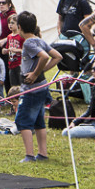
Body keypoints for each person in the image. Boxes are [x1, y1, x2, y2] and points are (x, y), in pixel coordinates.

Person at [15, 10, 62, 163]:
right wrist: (42, 71)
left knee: (23, 120)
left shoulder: (29, 42)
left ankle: (29, 155)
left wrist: (35, 73)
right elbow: (58, 56)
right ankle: (42, 153)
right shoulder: (39, 39)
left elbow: (45, 56)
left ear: (19, 27)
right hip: (42, 87)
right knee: (38, 121)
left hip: (32, 89)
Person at [0, 0, 17, 95]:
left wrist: (5, 40)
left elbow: (16, 30)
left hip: (10, 46)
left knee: (9, 72)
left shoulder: (12, 15)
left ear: (9, 4)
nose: (1, 5)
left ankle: (11, 94)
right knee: (0, 71)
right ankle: (4, 94)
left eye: (3, 3)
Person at [0, 14, 23, 90]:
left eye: (12, 23)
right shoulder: (9, 36)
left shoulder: (21, 36)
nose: (10, 25)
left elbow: (25, 50)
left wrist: (16, 50)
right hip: (11, 64)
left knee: (21, 84)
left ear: (18, 24)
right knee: (13, 85)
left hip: (20, 64)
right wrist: (5, 51)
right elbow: (8, 49)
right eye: (9, 23)